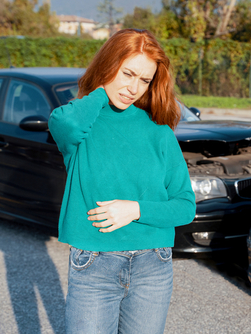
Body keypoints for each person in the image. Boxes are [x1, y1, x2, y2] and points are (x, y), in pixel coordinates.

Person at [48, 29, 196, 334]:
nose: (133, 88)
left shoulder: (159, 132)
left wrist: (136, 209)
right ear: (108, 64)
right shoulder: (81, 127)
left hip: (153, 267)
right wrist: (103, 88)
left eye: (144, 80)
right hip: (94, 265)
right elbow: (64, 122)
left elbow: (185, 207)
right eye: (127, 73)